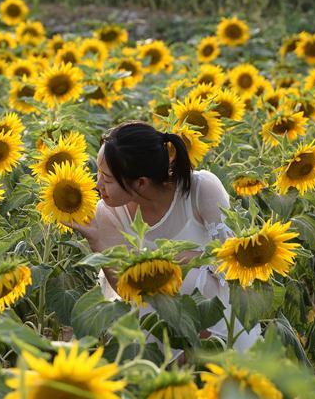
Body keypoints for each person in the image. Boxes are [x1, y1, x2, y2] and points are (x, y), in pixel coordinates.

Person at [66, 121, 260, 352]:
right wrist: (97, 241)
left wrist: (168, 261)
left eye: (107, 179)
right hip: (154, 322)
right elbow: (128, 291)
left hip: (216, 316)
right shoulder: (107, 212)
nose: (98, 186)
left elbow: (233, 264)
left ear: (140, 182)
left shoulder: (200, 190)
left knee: (193, 275)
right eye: (99, 174)